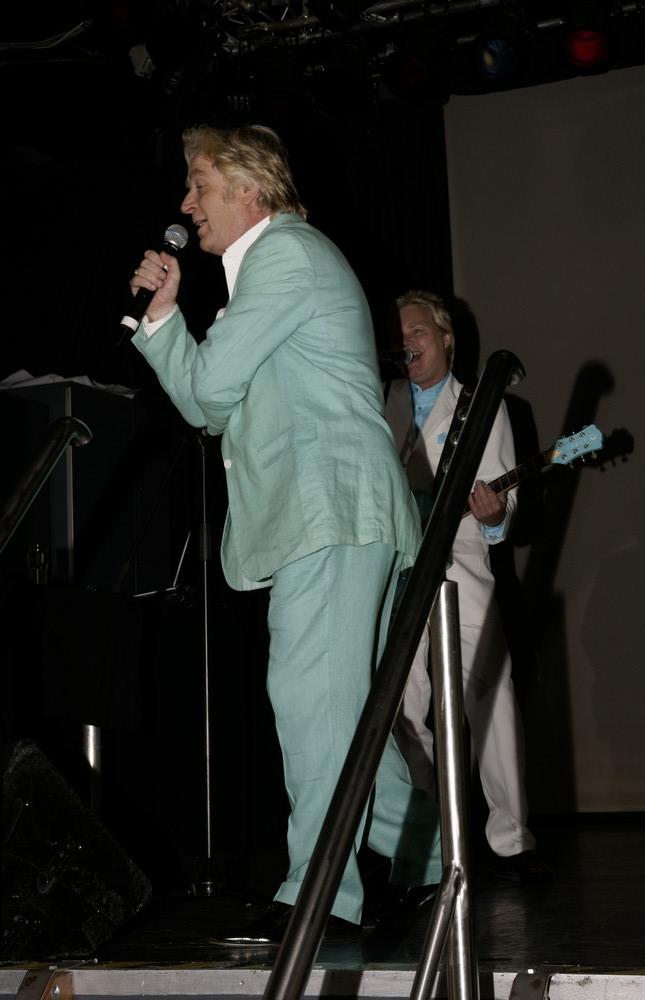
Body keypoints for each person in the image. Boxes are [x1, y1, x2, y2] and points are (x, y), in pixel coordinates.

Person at [128, 125, 442, 941]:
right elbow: (208, 406)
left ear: (249, 187)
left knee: (311, 706)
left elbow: (207, 393)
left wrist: (171, 328)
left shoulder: (284, 256)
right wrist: (164, 320)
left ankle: (322, 896)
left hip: (328, 509)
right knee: (340, 709)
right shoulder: (276, 268)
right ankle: (428, 859)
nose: (186, 203)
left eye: (200, 185)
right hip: (339, 514)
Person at [385, 289, 548, 881]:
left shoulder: (482, 405)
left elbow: (504, 504)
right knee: (403, 707)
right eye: (400, 335)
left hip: (461, 567)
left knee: (490, 694)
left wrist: (493, 517)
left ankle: (512, 841)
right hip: (398, 570)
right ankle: (428, 845)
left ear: (446, 339)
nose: (408, 342)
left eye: (419, 331)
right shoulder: (384, 400)